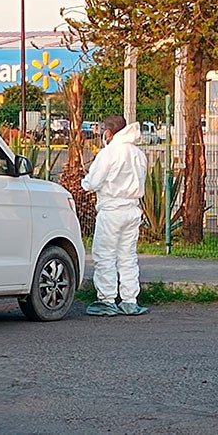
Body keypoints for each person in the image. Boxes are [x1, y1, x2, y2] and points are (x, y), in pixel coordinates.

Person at [81, 115, 148, 316]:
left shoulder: (109, 153)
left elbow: (93, 182)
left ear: (109, 133)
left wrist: (85, 181)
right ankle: (129, 300)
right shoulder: (138, 154)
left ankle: (107, 299)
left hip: (111, 210)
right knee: (128, 256)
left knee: (105, 255)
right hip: (132, 210)